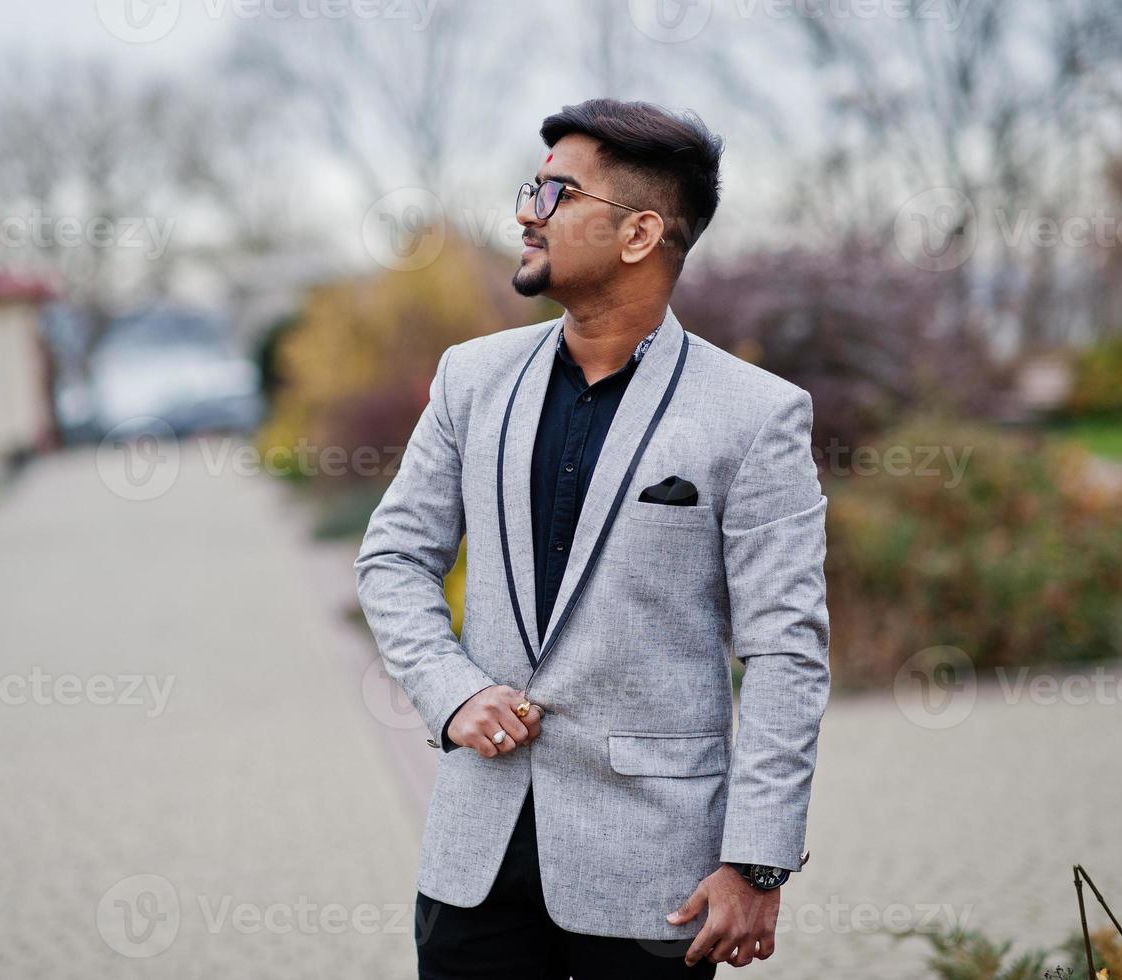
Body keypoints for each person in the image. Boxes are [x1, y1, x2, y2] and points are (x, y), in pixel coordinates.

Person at [354, 98, 830, 977]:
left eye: (556, 194)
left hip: (656, 875)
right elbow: (392, 557)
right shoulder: (471, 379)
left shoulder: (756, 415)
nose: (525, 213)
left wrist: (757, 861)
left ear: (641, 234)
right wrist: (452, 690)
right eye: (531, 188)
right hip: (475, 865)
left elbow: (784, 650)